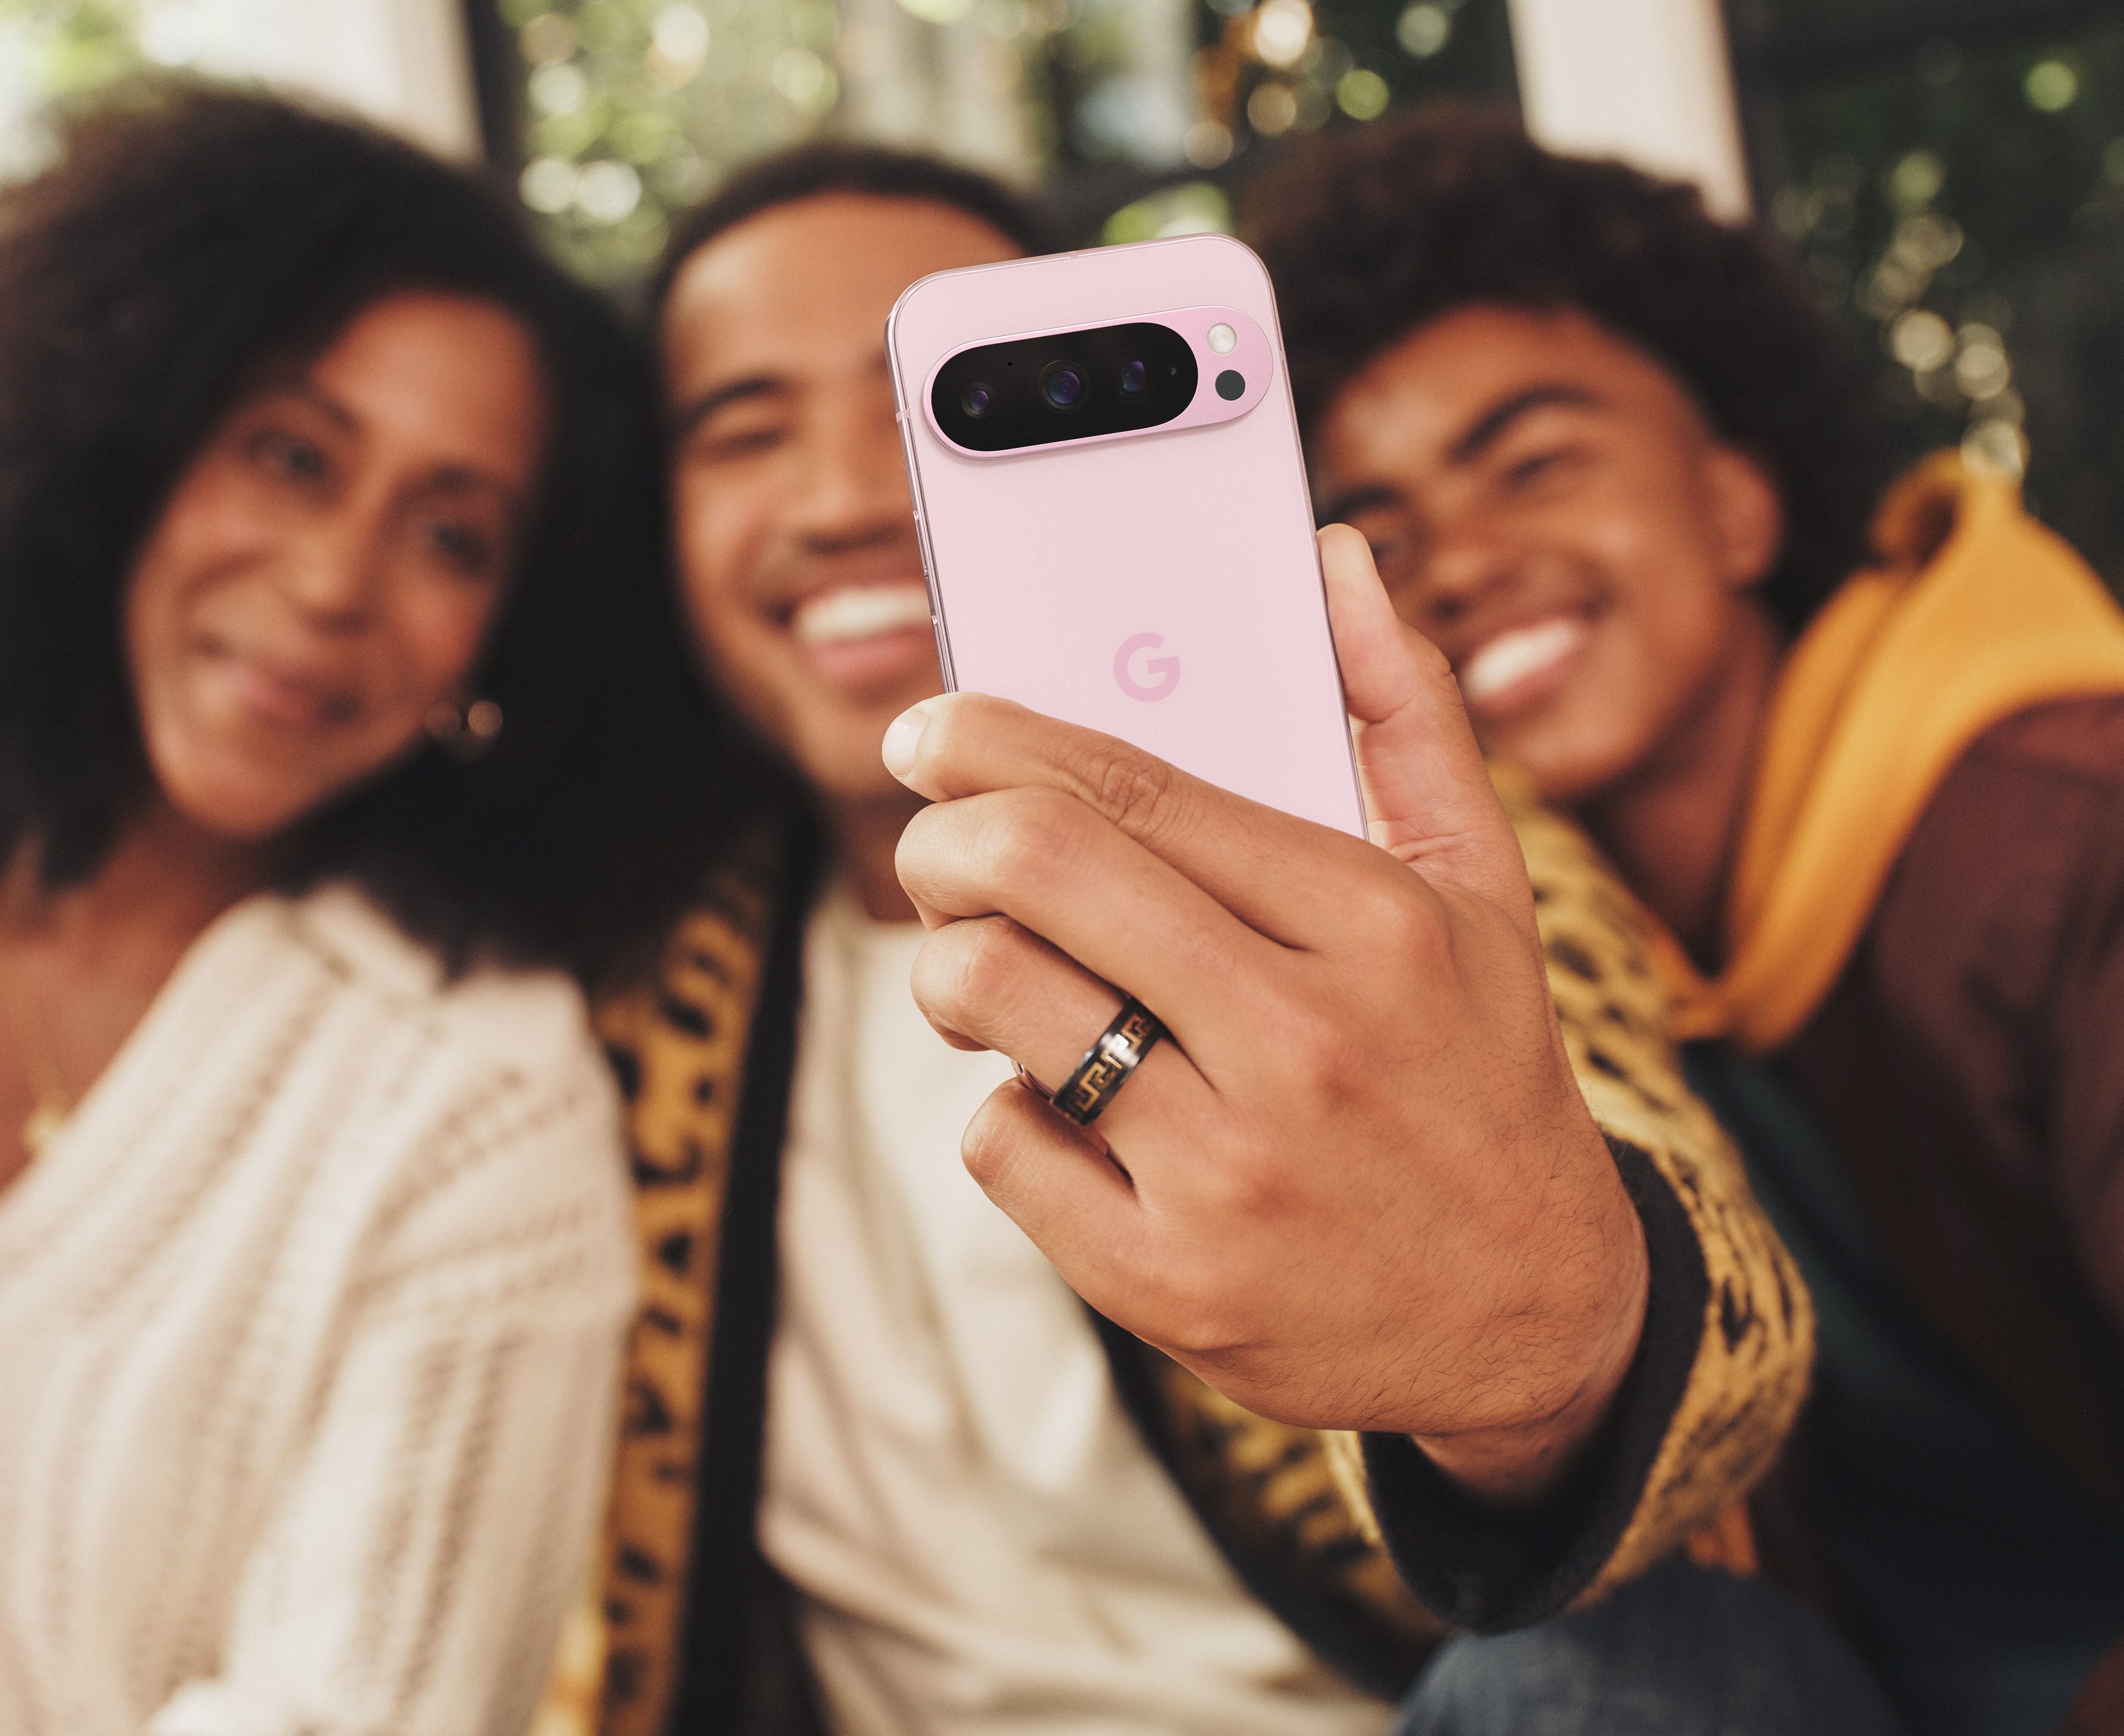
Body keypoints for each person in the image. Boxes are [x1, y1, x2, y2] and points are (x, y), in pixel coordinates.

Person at [557, 141, 1909, 1736]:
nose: (848, 496)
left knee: (1652, 1676)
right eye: (743, 431)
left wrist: (1546, 1357)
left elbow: (1695, 1283)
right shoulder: (625, 998)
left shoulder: (1365, 844)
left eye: (913, 405)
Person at [1245, 105, 2124, 1735]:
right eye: (1389, 539)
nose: (1465, 566)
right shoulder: (1545, 974)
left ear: (1736, 506)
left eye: (1536, 465)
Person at [0, 84, 718, 1735]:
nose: (333, 582)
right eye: (292, 455)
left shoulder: (474, 1103)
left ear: (510, 644)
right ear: (132, 438)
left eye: (450, 535)